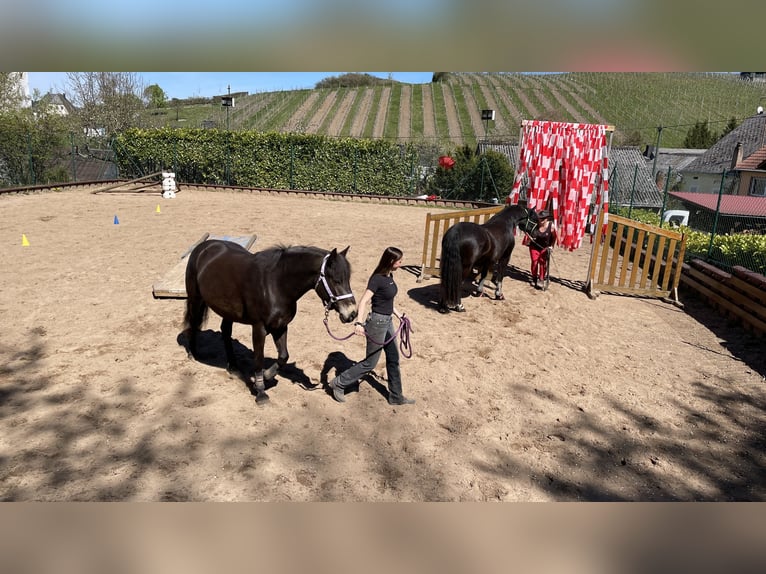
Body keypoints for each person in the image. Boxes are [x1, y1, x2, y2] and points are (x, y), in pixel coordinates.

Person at [328, 246, 415, 406]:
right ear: (390, 261)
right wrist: (359, 323)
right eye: (399, 261)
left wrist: (398, 315)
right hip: (377, 323)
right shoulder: (377, 279)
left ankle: (396, 396)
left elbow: (387, 301)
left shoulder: (390, 276)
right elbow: (363, 301)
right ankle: (338, 383)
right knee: (370, 363)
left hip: (388, 321)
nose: (402, 263)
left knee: (393, 358)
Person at [527, 209, 557, 290]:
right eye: (540, 218)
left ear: (547, 218)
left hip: (545, 247)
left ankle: (541, 279)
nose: (541, 220)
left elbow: (554, 237)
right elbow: (528, 231)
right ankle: (534, 278)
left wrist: (552, 246)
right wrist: (529, 237)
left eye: (543, 218)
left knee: (542, 262)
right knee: (534, 261)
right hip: (534, 246)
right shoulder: (535, 225)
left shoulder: (552, 226)